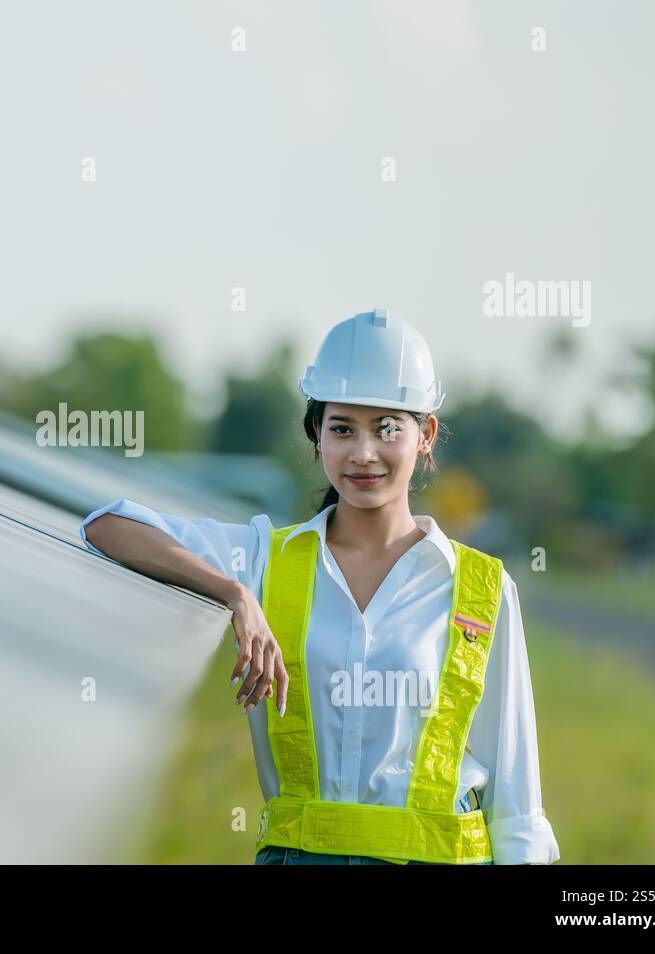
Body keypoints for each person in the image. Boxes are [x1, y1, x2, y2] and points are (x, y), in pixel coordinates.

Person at [81, 308, 560, 865]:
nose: (363, 453)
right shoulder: (266, 558)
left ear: (425, 435)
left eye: (387, 428)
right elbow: (109, 525)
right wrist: (235, 594)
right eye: (341, 428)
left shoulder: (481, 588)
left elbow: (517, 802)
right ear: (316, 434)